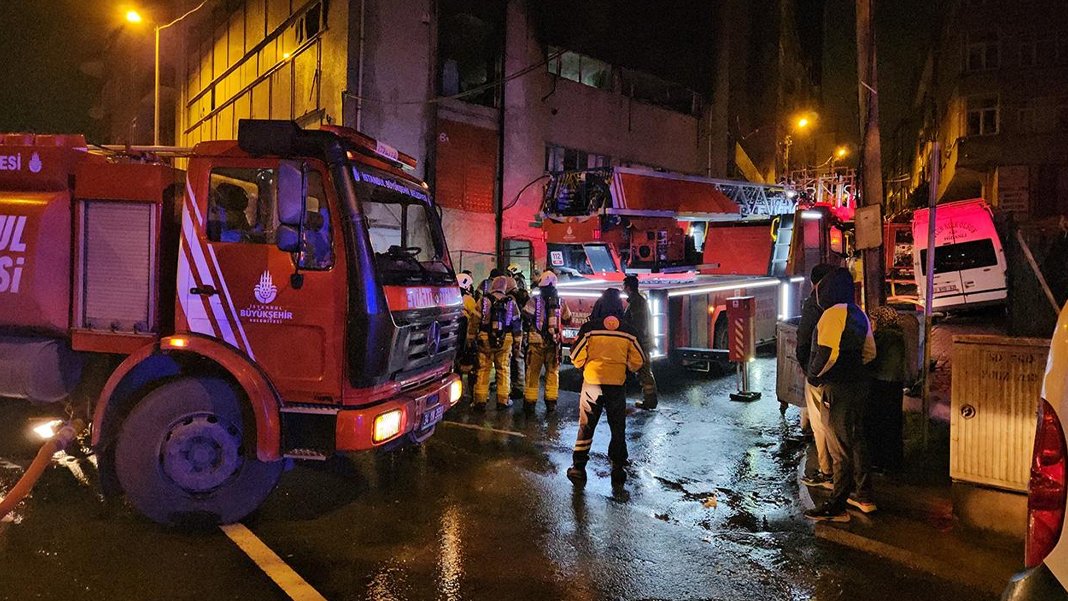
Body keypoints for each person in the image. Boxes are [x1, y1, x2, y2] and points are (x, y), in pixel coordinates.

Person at [803, 267, 877, 522]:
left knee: (838, 447)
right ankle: (864, 495)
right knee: (857, 439)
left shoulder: (831, 315)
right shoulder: (860, 314)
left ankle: (837, 504)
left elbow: (828, 354)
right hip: (860, 385)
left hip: (837, 388)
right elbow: (870, 352)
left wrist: (814, 376)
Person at [567, 288, 645, 486]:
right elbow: (638, 361)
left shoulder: (589, 328)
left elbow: (576, 358)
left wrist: (587, 363)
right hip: (616, 386)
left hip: (592, 385)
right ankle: (618, 469)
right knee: (617, 427)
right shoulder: (629, 331)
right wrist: (624, 366)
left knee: (586, 426)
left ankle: (578, 468)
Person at [796, 263, 836, 489]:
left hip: (818, 373)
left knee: (820, 424)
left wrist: (809, 372)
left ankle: (826, 472)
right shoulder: (844, 306)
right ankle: (838, 471)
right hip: (838, 375)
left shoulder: (816, 304)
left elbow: (803, 339)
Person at [523, 270, 572, 413]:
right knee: (552, 372)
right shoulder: (561, 301)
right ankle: (551, 403)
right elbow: (567, 319)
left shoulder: (534, 300)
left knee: (533, 373)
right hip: (554, 343)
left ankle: (530, 403)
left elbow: (525, 316)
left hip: (536, 342)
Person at [867, 306, 908, 473]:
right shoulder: (898, 336)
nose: (871, 324)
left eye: (873, 320)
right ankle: (894, 463)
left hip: (881, 385)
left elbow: (871, 358)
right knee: (893, 424)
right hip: (895, 385)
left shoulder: (882, 337)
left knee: (879, 424)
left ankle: (880, 462)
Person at [473, 275, 521, 411]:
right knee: (503, 370)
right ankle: (503, 400)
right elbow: (517, 324)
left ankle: (480, 401)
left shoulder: (483, 301)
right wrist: (517, 342)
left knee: (483, 369)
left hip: (485, 339)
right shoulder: (511, 302)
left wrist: (471, 338)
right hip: (506, 340)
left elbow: (474, 321)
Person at [622, 275, 658, 409]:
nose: (623, 288)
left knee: (644, 371)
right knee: (644, 371)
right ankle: (650, 400)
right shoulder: (637, 301)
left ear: (628, 287)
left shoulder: (636, 303)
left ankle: (650, 401)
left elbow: (638, 325)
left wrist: (634, 343)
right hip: (643, 342)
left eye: (624, 286)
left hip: (641, 343)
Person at [456, 272, 480, 399]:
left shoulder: (452, 297)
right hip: (467, 338)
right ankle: (473, 394)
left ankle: (458, 393)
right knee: (473, 367)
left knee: (456, 368)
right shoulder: (469, 300)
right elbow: (477, 316)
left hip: (453, 339)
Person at [505, 276, 528, 400]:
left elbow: (512, 318)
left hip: (515, 332)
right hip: (525, 332)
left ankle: (518, 388)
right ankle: (521, 386)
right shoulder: (523, 295)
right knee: (521, 360)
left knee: (515, 361)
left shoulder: (510, 299)